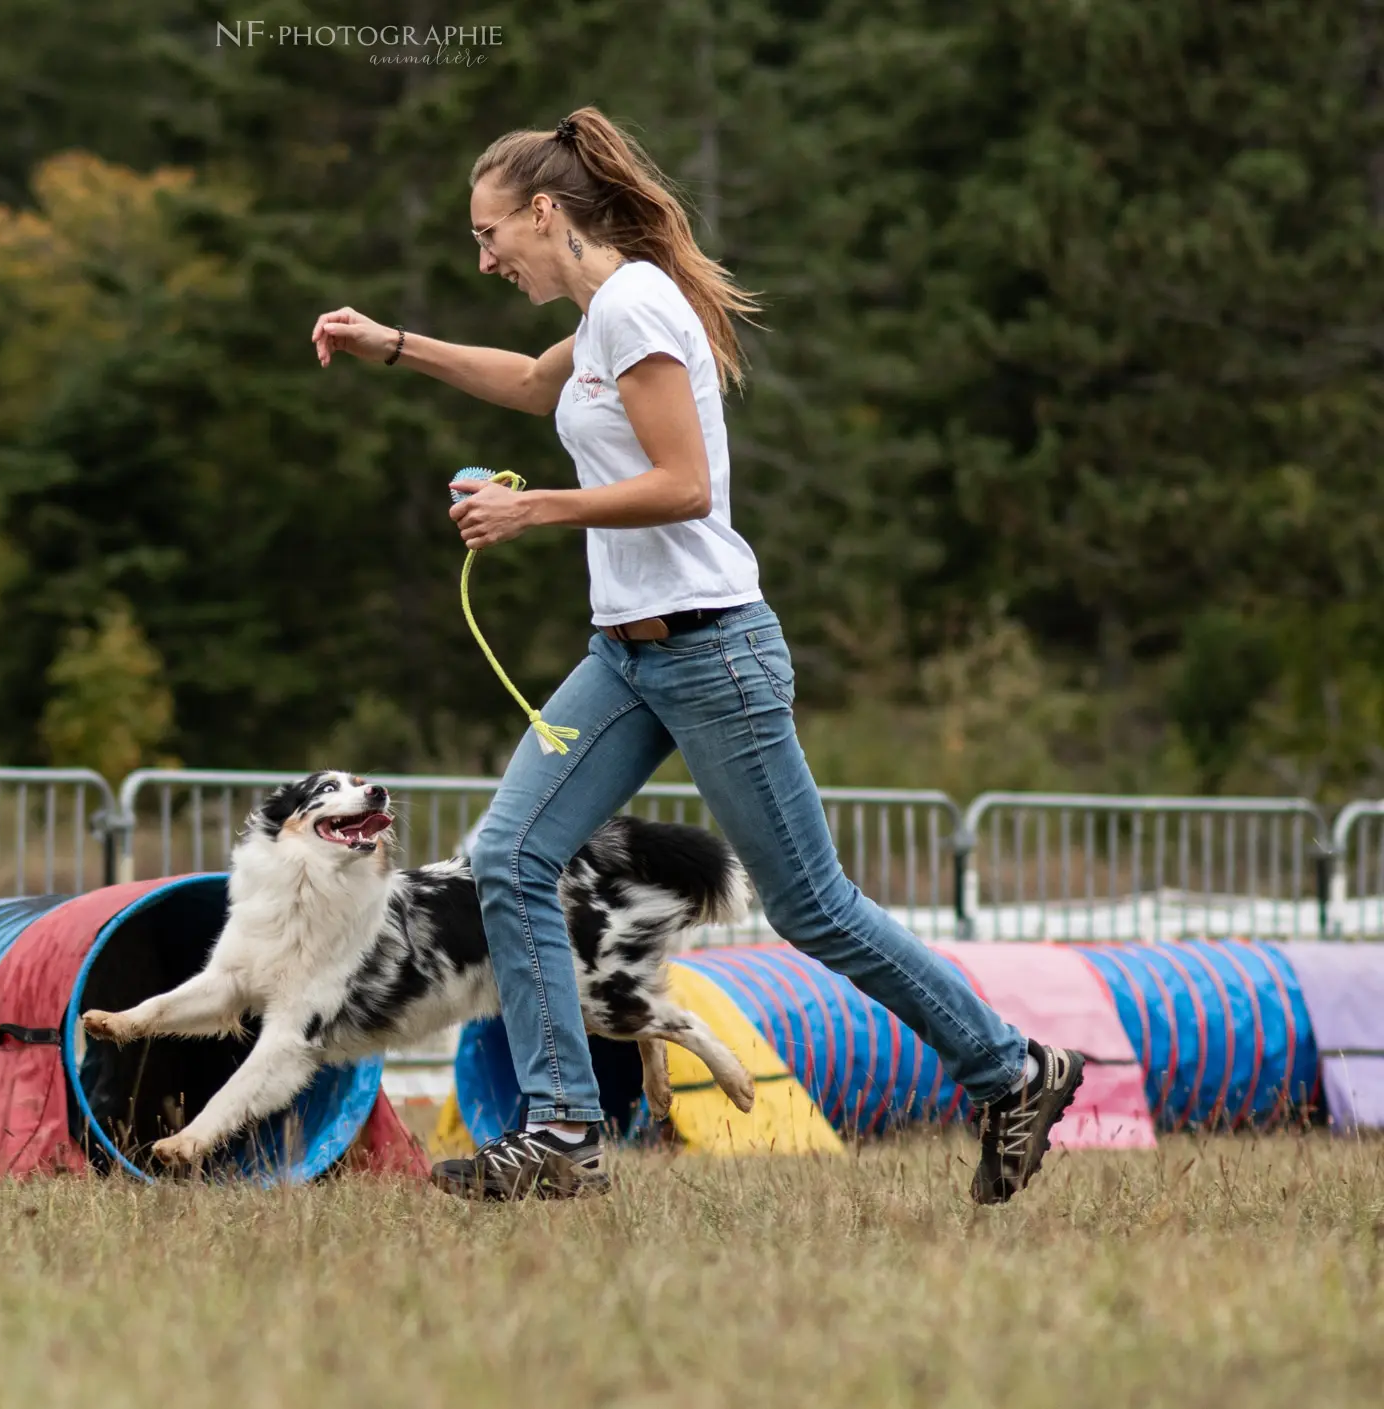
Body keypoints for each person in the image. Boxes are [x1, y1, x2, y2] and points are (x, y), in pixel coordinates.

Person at [309, 107, 1085, 1203]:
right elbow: (532, 385)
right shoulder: (597, 313)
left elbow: (684, 486)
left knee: (811, 904)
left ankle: (1010, 1068)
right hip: (622, 660)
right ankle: (563, 1130)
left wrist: (534, 515)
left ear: (544, 212)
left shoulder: (634, 305)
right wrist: (390, 341)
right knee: (509, 858)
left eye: (490, 235)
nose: (482, 258)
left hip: (712, 652)